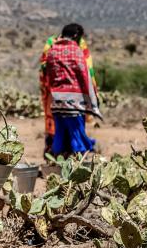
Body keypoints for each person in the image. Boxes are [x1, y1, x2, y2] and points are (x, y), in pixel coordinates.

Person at [39, 23, 102, 156]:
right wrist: (92, 99)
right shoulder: (76, 51)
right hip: (74, 103)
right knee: (77, 136)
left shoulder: (52, 51)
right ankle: (81, 160)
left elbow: (46, 74)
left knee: (59, 136)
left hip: (56, 101)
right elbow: (85, 76)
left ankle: (55, 163)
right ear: (75, 35)